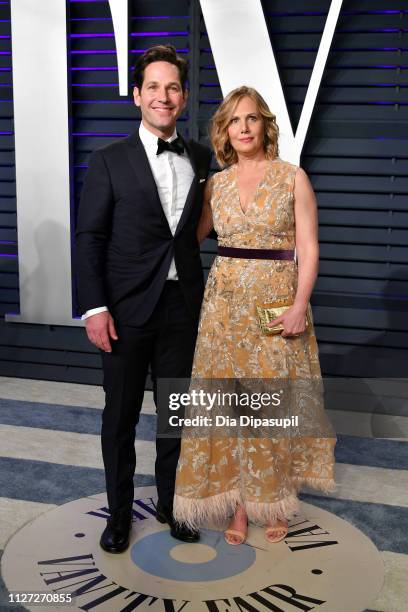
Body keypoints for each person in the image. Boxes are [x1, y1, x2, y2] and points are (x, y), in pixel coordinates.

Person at [173, 86, 336, 545]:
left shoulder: (292, 177)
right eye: (233, 121)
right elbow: (190, 238)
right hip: (223, 310)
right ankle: (242, 508)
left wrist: (300, 305)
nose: (243, 128)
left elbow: (308, 247)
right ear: (224, 131)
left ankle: (274, 498)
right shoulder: (215, 185)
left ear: (265, 124)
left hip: (275, 303)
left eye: (251, 118)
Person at [75, 45, 212, 553]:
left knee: (176, 417)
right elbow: (89, 237)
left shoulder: (199, 156)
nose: (163, 96)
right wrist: (94, 307)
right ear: (137, 95)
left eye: (172, 87)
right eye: (152, 87)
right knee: (121, 419)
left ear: (183, 96)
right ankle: (118, 513)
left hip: (182, 309)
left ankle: (172, 504)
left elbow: (196, 231)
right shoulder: (108, 159)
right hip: (125, 311)